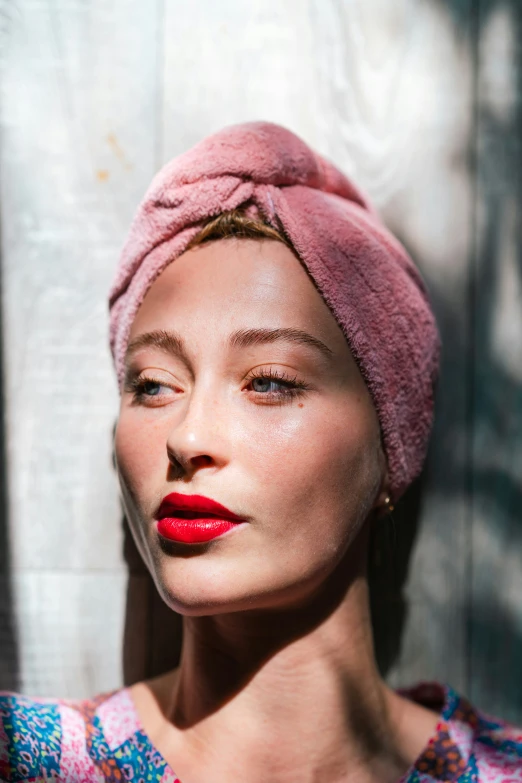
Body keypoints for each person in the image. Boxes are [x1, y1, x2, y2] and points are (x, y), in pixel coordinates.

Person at [1, 121, 521, 783]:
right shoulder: (25, 760)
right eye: (154, 385)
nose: (188, 437)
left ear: (392, 440)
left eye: (270, 381)